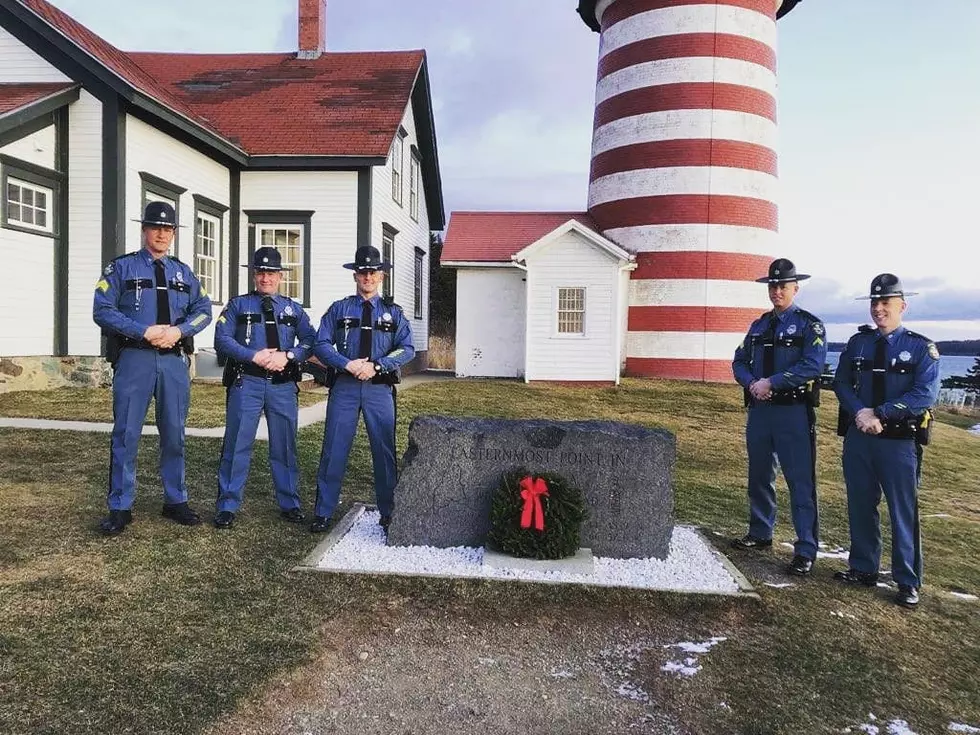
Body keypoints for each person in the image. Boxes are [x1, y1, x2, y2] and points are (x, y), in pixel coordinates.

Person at [93, 201, 213, 535]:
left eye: (168, 229)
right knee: (126, 433)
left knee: (174, 432)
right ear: (144, 230)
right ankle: (120, 506)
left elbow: (204, 309)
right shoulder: (122, 269)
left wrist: (179, 331)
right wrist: (142, 330)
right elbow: (102, 310)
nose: (162, 233)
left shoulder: (183, 272)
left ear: (173, 234)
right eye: (155, 227)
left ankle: (175, 500)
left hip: (173, 360)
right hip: (135, 358)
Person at [832, 273, 940, 608]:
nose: (879, 309)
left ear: (901, 306)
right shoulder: (858, 344)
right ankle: (863, 567)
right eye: (874, 303)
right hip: (860, 438)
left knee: (902, 512)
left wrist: (879, 412)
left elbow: (925, 395)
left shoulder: (921, 348)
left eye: (886, 303)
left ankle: (907, 580)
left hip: (898, 443)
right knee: (861, 505)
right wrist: (861, 413)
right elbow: (841, 383)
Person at [731, 258, 827, 576]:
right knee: (759, 476)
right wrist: (752, 384)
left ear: (795, 288)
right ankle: (760, 532)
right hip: (761, 412)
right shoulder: (759, 326)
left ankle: (805, 549)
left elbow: (812, 365)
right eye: (772, 286)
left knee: (800, 482)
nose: (776, 291)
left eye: (782, 286)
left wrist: (773, 381)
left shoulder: (809, 325)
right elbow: (740, 360)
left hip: (793, 413)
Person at [310, 245, 415, 533]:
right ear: (355, 275)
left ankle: (388, 510)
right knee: (334, 448)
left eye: (373, 272)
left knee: (384, 450)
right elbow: (321, 343)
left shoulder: (393, 314)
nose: (367, 277)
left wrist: (378, 366)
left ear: (381, 276)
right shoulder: (339, 309)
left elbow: (407, 348)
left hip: (378, 388)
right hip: (345, 386)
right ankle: (323, 511)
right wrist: (346, 364)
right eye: (362, 272)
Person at [212, 247, 317, 529]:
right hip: (247, 382)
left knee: (284, 446)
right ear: (254, 274)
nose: (265, 278)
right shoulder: (238, 306)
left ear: (280, 276)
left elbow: (310, 341)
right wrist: (253, 355)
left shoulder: (293, 310)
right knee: (237, 444)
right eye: (261, 272)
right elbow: (222, 339)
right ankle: (227, 505)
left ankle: (290, 503)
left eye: (271, 273)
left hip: (282, 385)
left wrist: (290, 355)